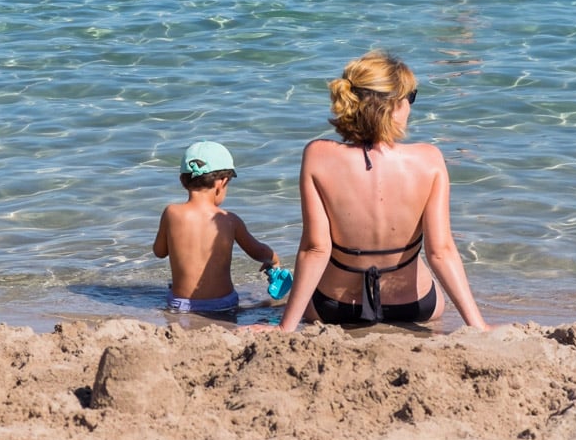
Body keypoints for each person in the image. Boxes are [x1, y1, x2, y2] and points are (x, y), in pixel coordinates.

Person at [276, 51, 488, 331]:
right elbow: (442, 251)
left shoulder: (317, 155)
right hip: (416, 304)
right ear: (393, 106)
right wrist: (479, 327)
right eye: (410, 98)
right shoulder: (429, 159)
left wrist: (284, 328)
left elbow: (316, 248)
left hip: (334, 306)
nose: (411, 107)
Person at [153, 141, 279, 315]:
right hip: (223, 303)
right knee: (266, 304)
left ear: (183, 181)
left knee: (173, 288)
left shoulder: (171, 213)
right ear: (222, 183)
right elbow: (257, 251)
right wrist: (274, 260)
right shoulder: (230, 220)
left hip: (180, 304)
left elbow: (159, 252)